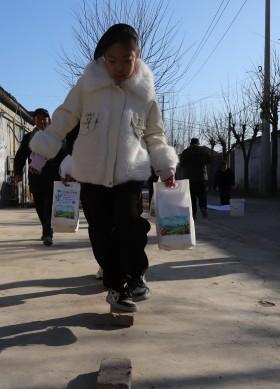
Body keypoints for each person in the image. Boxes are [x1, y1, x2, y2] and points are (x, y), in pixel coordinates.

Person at [28, 24, 178, 312]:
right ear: (102, 58)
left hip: (130, 172)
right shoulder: (88, 85)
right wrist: (40, 155)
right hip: (92, 173)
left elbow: (155, 134)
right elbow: (64, 118)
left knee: (130, 224)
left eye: (126, 60)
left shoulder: (145, 93)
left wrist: (165, 167)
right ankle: (116, 287)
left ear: (137, 56)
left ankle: (136, 276)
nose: (119, 67)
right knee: (100, 232)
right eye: (112, 60)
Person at [14, 108, 60, 246]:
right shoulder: (28, 138)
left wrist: (68, 171)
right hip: (35, 177)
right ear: (34, 121)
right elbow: (20, 155)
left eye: (44, 118)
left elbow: (64, 154)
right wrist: (17, 173)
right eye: (38, 118)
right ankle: (46, 228)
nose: (41, 121)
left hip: (52, 177)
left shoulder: (56, 136)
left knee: (49, 205)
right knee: (39, 206)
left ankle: (47, 233)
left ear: (49, 120)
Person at [179, 138, 211, 219]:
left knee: (191, 196)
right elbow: (209, 161)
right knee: (202, 194)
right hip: (201, 177)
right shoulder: (203, 151)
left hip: (189, 178)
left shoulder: (185, 152)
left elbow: (181, 164)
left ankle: (193, 213)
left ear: (191, 143)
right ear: (198, 143)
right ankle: (203, 207)